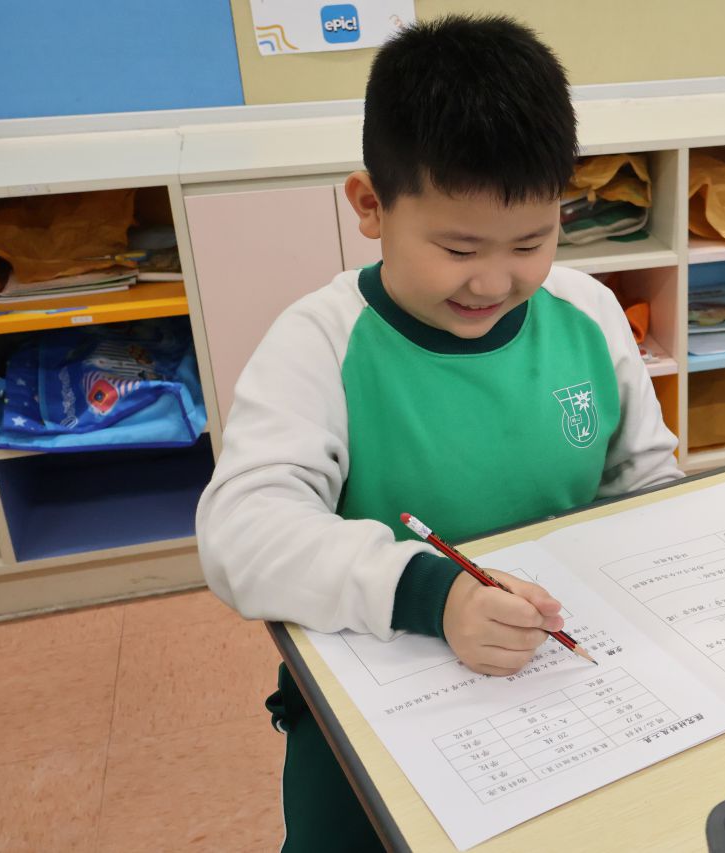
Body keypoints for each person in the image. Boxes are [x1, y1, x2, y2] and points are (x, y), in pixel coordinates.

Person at [195, 15, 681, 851]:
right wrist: (434, 594)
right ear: (370, 206)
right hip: (383, 696)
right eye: (458, 248)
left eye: (531, 241)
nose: (495, 280)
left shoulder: (588, 313)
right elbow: (242, 534)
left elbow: (649, 482)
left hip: (562, 680)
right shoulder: (321, 341)